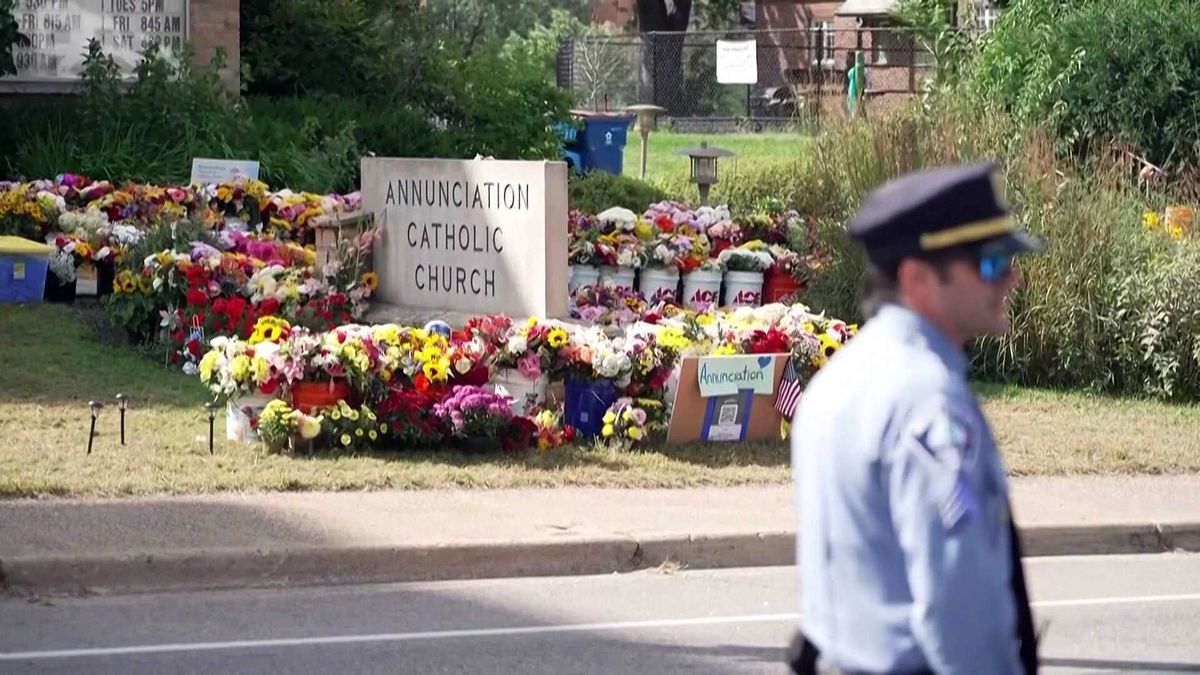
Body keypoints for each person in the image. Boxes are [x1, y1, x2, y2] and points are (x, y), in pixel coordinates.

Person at [787, 162, 1043, 675]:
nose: (1011, 276)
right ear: (917, 278)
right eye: (991, 262)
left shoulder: (840, 380)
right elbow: (959, 606)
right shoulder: (929, 402)